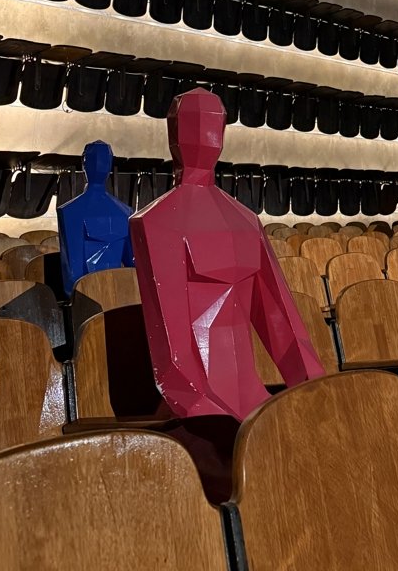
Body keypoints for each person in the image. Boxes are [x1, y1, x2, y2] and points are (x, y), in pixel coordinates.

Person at [130, 88, 324, 420]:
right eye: (193, 126)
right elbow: (172, 352)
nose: (203, 139)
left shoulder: (245, 219)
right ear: (173, 134)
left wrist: (315, 392)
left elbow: (282, 320)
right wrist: (202, 410)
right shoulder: (156, 222)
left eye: (211, 127)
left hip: (252, 401)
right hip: (202, 412)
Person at [57, 140, 133, 296]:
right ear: (110, 166)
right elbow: (132, 264)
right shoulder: (125, 211)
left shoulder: (69, 211)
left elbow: (72, 273)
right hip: (116, 294)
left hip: (86, 295)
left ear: (83, 164)